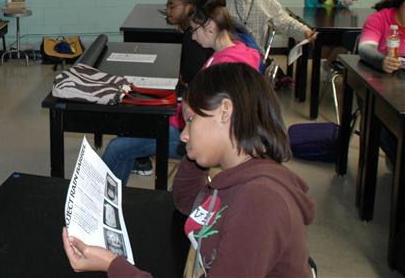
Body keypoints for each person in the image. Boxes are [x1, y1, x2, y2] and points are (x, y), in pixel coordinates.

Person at [63, 63, 316, 277]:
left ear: (224, 111)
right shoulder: (237, 177)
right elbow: (186, 203)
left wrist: (113, 266)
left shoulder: (260, 200)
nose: (184, 135)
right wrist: (198, 155)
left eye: (191, 120)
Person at [101, 0, 213, 182]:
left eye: (172, 5)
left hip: (192, 132)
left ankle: (99, 207)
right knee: (127, 129)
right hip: (189, 119)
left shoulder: (193, 39)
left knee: (117, 147)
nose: (167, 10)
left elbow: (189, 80)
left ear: (189, 7)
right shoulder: (195, 36)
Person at [358, 0, 405, 166]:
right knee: (384, 126)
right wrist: (382, 61)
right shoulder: (379, 19)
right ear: (400, 4)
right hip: (378, 88)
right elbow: (365, 48)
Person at [190, 0, 262, 71]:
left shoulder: (226, 66)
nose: (193, 37)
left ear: (210, 26)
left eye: (194, 30)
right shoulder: (234, 50)